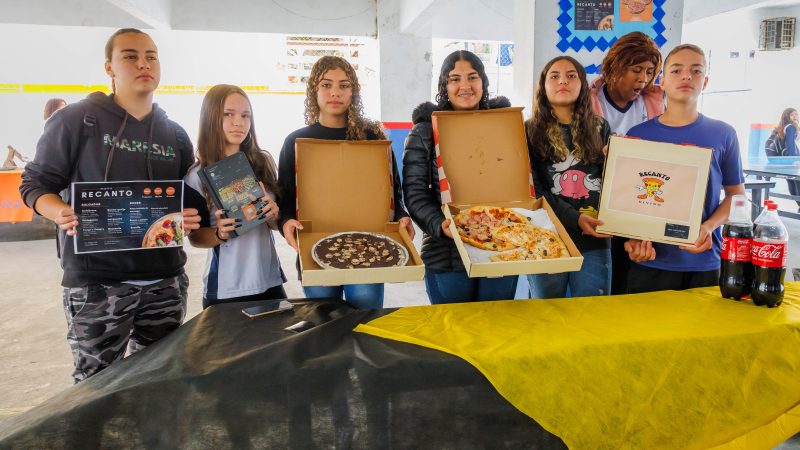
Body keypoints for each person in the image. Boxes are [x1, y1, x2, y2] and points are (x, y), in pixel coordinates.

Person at [19, 28, 204, 382]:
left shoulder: (175, 134)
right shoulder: (76, 120)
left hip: (164, 281)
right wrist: (58, 211)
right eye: (130, 56)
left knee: (159, 381)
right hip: (97, 284)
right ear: (109, 67)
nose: (143, 64)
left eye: (151, 57)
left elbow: (184, 197)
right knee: (96, 386)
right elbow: (35, 184)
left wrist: (189, 217)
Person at [277, 56, 412, 309]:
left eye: (344, 85)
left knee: (364, 321)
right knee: (325, 323)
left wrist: (401, 217)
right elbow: (285, 199)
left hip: (368, 248)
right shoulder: (296, 142)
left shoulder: (373, 139)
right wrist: (285, 223)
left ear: (354, 91)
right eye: (326, 85)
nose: (335, 92)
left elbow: (393, 193)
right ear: (314, 91)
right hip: (313, 247)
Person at [623, 44, 745, 294]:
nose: (687, 76)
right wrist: (632, 239)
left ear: (705, 81)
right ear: (662, 81)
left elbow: (736, 195)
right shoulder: (638, 135)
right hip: (651, 259)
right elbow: (628, 199)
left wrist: (707, 227)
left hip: (704, 259)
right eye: (677, 70)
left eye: (696, 71)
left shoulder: (724, 133)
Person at [403, 50, 518, 304]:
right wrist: (439, 224)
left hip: (501, 247)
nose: (464, 86)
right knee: (454, 326)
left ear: (483, 82)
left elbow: (518, 180)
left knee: (497, 323)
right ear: (444, 86)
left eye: (472, 77)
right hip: (446, 254)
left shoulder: (504, 125)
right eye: (455, 79)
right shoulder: (424, 132)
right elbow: (415, 193)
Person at [185, 85, 286, 309]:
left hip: (269, 280)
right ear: (210, 117)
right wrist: (220, 234)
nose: (238, 122)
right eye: (228, 114)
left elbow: (275, 225)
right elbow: (195, 238)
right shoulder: (196, 175)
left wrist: (274, 215)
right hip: (226, 287)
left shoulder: (262, 163)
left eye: (245, 115)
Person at [526, 56, 612, 299]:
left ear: (582, 84)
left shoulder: (600, 127)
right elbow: (533, 189)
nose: (563, 81)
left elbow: (610, 182)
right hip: (546, 235)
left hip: (593, 236)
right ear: (543, 86)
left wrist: (616, 162)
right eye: (554, 76)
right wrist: (574, 218)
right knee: (546, 310)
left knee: (591, 310)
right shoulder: (528, 130)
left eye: (571, 76)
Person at [589, 31, 664, 296]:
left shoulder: (653, 102)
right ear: (615, 67)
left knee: (632, 283)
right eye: (636, 70)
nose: (643, 78)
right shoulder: (589, 100)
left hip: (642, 203)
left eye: (650, 71)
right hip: (598, 207)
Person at [766, 108, 800, 209]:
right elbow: (790, 145)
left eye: (796, 114)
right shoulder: (790, 127)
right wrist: (794, 160)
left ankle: (799, 204)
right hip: (792, 159)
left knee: (791, 182)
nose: (795, 117)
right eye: (792, 115)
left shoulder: (781, 127)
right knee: (797, 182)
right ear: (787, 116)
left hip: (783, 159)